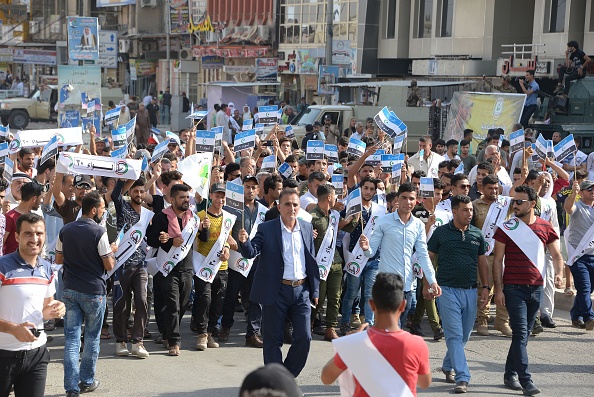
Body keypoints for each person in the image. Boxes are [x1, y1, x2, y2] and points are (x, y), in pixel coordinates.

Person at [238, 188, 320, 377]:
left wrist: (314, 290)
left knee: (304, 337)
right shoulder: (266, 228)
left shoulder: (307, 228)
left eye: (295, 205)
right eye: (287, 204)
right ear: (279, 206)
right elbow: (252, 252)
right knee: (273, 341)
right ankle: (276, 382)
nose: (292, 208)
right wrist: (244, 242)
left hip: (301, 290)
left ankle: (287, 376)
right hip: (276, 291)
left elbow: (311, 260)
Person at [493, 185, 564, 395]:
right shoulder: (506, 227)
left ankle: (509, 374)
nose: (515, 204)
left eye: (519, 201)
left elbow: (557, 255)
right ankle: (526, 380)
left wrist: (559, 274)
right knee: (521, 333)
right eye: (514, 201)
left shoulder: (545, 226)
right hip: (514, 289)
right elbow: (497, 261)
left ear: (532, 204)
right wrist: (499, 290)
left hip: (536, 289)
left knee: (521, 337)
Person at [321, 273, 432, 396]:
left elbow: (326, 378)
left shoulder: (355, 343)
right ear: (403, 305)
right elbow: (424, 383)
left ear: (371, 304)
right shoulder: (417, 344)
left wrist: (347, 345)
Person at [56, 191, 117, 397]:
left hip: (71, 290)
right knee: (92, 338)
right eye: (101, 209)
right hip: (93, 292)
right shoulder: (99, 232)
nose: (102, 212)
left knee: (72, 340)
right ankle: (87, 381)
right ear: (93, 209)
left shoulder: (66, 230)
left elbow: (58, 259)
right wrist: (112, 251)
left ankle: (71, 387)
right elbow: (109, 265)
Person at [427, 195, 490, 393]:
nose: (469, 213)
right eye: (465, 210)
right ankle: (462, 377)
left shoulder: (477, 235)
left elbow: (482, 262)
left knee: (463, 335)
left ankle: (447, 365)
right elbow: (429, 259)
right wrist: (427, 284)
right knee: (454, 335)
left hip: (471, 290)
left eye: (471, 210)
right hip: (446, 290)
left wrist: (486, 287)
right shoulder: (440, 233)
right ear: (454, 211)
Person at [0, 213, 65, 397]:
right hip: (3, 354)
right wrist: (13, 329)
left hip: (36, 355)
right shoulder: (2, 267)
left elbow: (44, 310)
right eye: (28, 233)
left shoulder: (46, 269)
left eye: (39, 233)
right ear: (17, 236)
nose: (34, 239)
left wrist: (57, 308)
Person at [360, 182, 441, 326]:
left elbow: (423, 254)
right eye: (404, 198)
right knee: (387, 328)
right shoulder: (384, 221)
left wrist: (432, 280)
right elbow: (370, 253)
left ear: (416, 201)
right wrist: (366, 248)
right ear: (397, 199)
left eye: (411, 199)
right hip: (387, 285)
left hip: (407, 285)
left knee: (399, 329)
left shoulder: (418, 225)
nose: (408, 202)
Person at [146, 184, 198, 356]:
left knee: (183, 304)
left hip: (187, 267)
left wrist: (204, 230)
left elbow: (201, 238)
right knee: (172, 304)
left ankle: (168, 333)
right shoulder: (162, 217)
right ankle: (174, 341)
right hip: (168, 268)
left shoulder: (193, 219)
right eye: (182, 197)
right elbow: (152, 240)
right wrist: (167, 241)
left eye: (187, 197)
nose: (186, 200)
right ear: (173, 199)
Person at [220, 176, 267, 348]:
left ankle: (252, 333)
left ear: (258, 190)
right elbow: (224, 227)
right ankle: (225, 326)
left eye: (253, 187)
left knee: (256, 297)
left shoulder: (263, 210)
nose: (250, 190)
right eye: (247, 186)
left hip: (255, 259)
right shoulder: (232, 207)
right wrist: (230, 237)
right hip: (236, 258)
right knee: (231, 296)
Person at [310, 185, 358, 341]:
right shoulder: (311, 216)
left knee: (335, 297)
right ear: (329, 197)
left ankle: (330, 327)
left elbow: (345, 229)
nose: (337, 200)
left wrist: (354, 216)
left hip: (335, 261)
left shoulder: (335, 215)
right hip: (318, 264)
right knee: (318, 297)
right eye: (335, 197)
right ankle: (307, 324)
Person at [111, 178, 152, 359]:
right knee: (121, 303)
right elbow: (114, 195)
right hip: (122, 264)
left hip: (141, 265)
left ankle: (137, 342)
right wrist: (124, 178)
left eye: (142, 191)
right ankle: (120, 341)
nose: (139, 194)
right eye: (135, 191)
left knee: (142, 301)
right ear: (130, 192)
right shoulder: (123, 207)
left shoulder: (146, 214)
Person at [192, 183, 232, 351]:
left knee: (218, 301)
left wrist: (228, 249)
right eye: (217, 195)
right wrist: (201, 228)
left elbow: (228, 239)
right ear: (211, 196)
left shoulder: (229, 217)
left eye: (223, 196)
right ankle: (201, 334)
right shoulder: (200, 215)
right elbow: (193, 239)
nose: (220, 199)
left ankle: (210, 333)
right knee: (204, 299)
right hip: (203, 266)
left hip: (221, 266)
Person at [471, 175, 512, 337]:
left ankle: (502, 321)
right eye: (490, 188)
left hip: (504, 254)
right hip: (485, 254)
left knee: (505, 287)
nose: (494, 191)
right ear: (482, 188)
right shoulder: (474, 205)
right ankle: (482, 320)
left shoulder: (505, 204)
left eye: (496, 188)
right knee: (484, 287)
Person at [564, 179, 594, 330]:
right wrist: (573, 194)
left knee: (589, 289)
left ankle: (576, 316)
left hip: (593, 255)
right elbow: (568, 208)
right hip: (579, 256)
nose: (592, 191)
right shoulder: (578, 206)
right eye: (589, 189)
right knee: (584, 288)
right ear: (581, 193)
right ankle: (589, 317)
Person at [3, 182, 44, 255]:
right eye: (41, 198)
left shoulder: (34, 218)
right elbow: (1, 242)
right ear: (34, 198)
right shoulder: (9, 217)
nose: (42, 201)